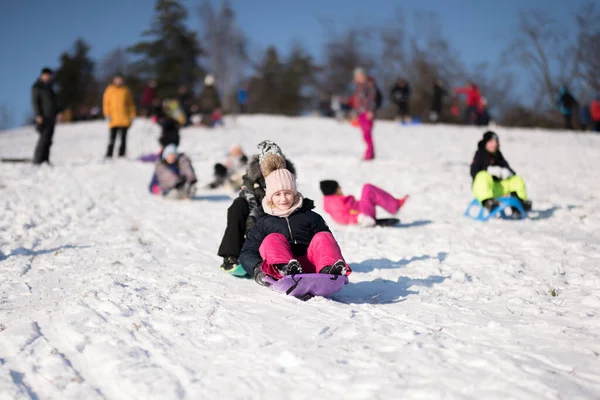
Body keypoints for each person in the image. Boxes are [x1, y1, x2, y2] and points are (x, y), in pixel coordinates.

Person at [239, 161, 351, 286]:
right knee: (272, 239)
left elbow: (328, 245)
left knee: (323, 236)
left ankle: (329, 271)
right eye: (277, 194)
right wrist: (258, 269)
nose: (283, 199)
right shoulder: (263, 222)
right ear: (270, 197)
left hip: (313, 266)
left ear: (294, 193)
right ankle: (284, 269)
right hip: (282, 270)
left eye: (287, 193)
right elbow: (247, 252)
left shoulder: (310, 216)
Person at [217, 141, 296, 272]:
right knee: (238, 205)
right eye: (268, 163)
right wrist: (252, 226)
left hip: (277, 215)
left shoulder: (286, 177)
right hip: (255, 214)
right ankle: (231, 255)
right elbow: (249, 200)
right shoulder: (251, 177)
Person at [470, 131, 532, 218]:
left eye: (496, 142)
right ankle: (488, 202)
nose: (494, 144)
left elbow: (509, 169)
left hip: (498, 188)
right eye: (491, 141)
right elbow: (473, 171)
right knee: (482, 176)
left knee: (516, 179)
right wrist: (488, 170)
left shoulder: (498, 155)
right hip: (483, 188)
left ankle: (519, 203)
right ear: (485, 143)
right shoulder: (480, 154)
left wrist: (507, 172)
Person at [320, 180, 408, 227]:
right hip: (363, 215)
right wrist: (359, 218)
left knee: (368, 190)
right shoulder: (333, 203)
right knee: (368, 188)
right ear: (334, 190)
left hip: (363, 212)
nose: (341, 188)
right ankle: (395, 205)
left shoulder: (334, 200)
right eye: (338, 187)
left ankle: (394, 205)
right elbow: (341, 218)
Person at [31, 67, 61, 165]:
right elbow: (35, 102)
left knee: (49, 139)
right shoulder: (37, 86)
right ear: (43, 75)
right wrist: (38, 114)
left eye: (50, 76)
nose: (49, 78)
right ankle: (38, 160)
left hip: (51, 115)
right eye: (47, 76)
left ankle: (45, 160)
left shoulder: (49, 87)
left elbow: (55, 101)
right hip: (43, 117)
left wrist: (58, 112)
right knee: (43, 138)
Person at [102, 74, 136, 158]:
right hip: (113, 119)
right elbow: (106, 103)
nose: (119, 81)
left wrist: (132, 115)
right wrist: (107, 114)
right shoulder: (109, 90)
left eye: (120, 80)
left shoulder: (126, 91)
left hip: (124, 118)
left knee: (123, 139)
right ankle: (109, 154)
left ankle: (122, 154)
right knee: (112, 138)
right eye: (117, 80)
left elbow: (130, 104)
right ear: (114, 80)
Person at [353, 67, 377, 161]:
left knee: (367, 133)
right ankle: (370, 153)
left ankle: (369, 154)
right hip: (360, 112)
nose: (358, 78)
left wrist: (370, 111)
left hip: (367, 112)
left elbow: (372, 99)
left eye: (360, 75)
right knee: (364, 134)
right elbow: (357, 100)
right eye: (357, 76)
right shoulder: (359, 86)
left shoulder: (369, 85)